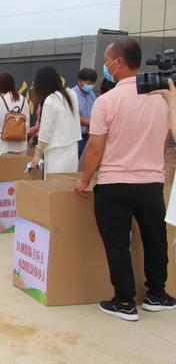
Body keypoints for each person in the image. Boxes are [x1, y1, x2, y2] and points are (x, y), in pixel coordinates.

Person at [75, 38, 175, 321]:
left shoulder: (107, 101)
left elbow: (95, 147)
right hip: (151, 183)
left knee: (118, 242)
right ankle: (157, 294)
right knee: (155, 239)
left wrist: (83, 180)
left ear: (118, 62)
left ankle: (124, 300)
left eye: (107, 61)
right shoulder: (162, 99)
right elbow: (166, 139)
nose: (105, 67)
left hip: (114, 184)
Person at [30, 66, 81, 178]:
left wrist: (37, 155)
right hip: (72, 150)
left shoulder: (50, 100)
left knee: (53, 187)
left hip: (56, 153)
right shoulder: (71, 95)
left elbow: (46, 132)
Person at [72, 68, 97, 157]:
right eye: (88, 83)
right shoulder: (72, 94)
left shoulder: (92, 95)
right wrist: (91, 122)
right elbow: (73, 116)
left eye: (93, 83)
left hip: (88, 136)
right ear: (80, 82)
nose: (91, 86)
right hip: (76, 137)